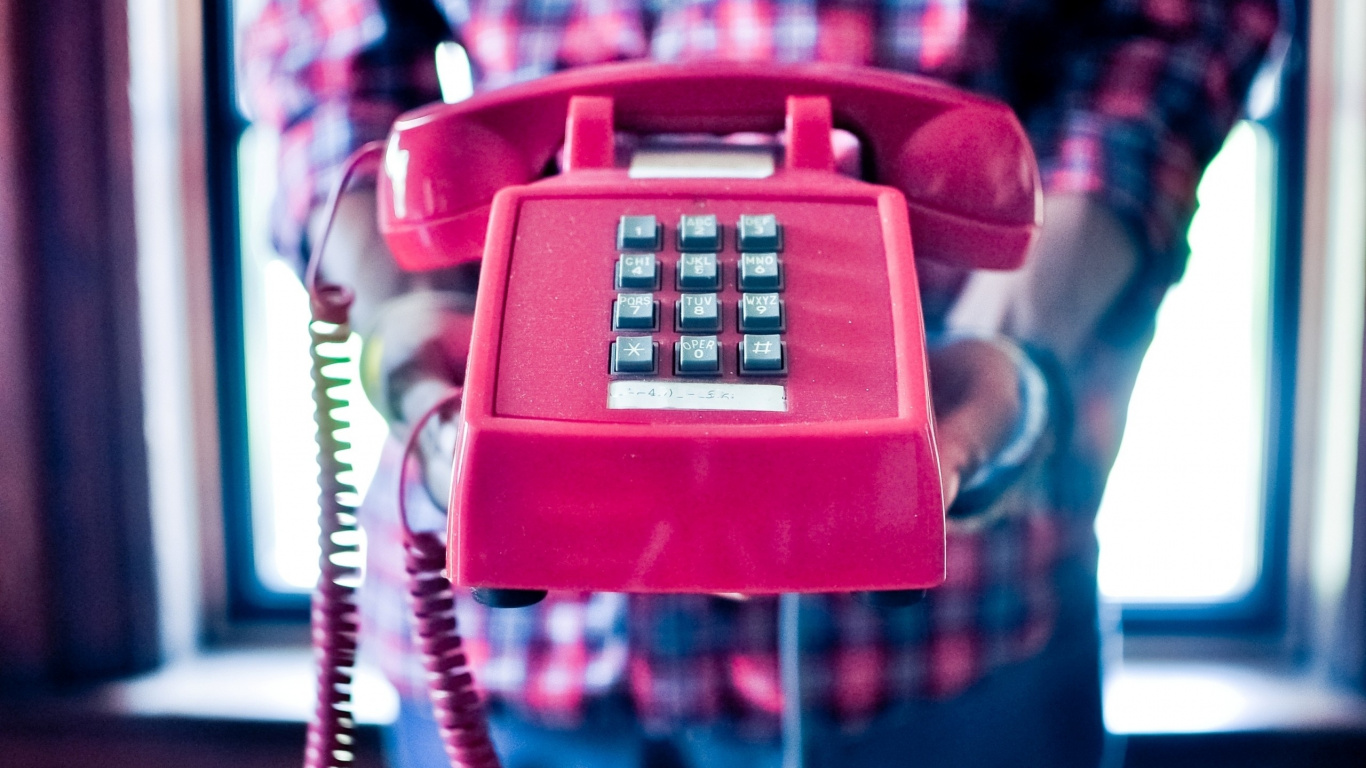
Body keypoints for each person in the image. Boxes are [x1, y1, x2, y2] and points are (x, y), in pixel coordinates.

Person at [241, 1, 1281, 766]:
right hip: (518, 654)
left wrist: (1020, 331)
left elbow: (1173, 26)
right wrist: (401, 315)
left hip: (947, 642)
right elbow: (323, 51)